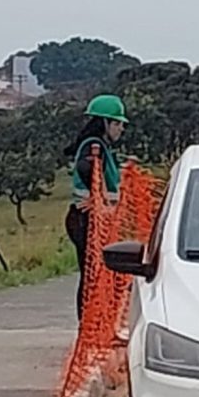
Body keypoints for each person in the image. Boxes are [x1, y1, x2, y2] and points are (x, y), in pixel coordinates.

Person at [65, 94, 127, 319]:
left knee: (95, 273)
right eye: (118, 123)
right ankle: (89, 325)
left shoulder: (102, 147)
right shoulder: (94, 146)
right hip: (86, 218)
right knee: (92, 274)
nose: (121, 129)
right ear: (105, 123)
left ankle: (93, 322)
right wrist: (96, 198)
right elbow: (85, 167)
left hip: (92, 219)